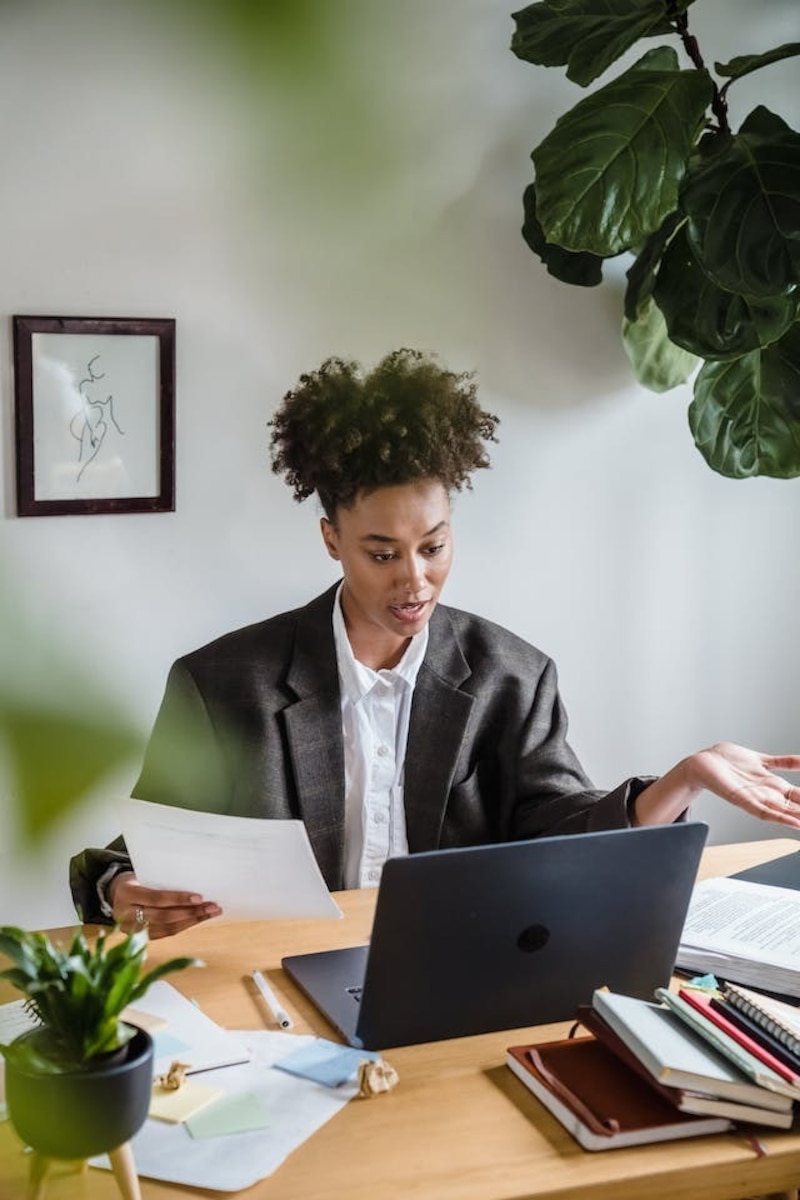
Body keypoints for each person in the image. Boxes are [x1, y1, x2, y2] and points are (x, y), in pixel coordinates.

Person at [70, 348, 800, 939]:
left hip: (459, 961)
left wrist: (683, 778)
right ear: (332, 539)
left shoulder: (512, 677)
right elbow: (138, 857)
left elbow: (568, 830)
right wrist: (120, 889)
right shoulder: (222, 683)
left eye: (435, 546)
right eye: (382, 554)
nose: (415, 581)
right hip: (273, 974)